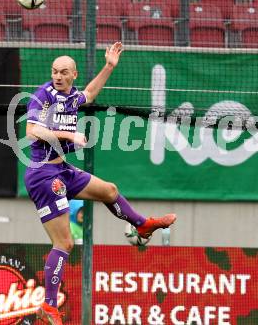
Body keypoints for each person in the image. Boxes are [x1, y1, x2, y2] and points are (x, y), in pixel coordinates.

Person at [24, 42, 176, 324]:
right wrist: (69, 137)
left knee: (110, 190)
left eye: (64, 72)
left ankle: (142, 225)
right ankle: (48, 305)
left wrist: (109, 66)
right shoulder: (44, 96)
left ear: (74, 75)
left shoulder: (71, 97)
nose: (57, 76)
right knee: (65, 243)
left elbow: (90, 94)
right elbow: (32, 131)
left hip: (61, 171)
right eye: (55, 71)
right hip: (43, 175)